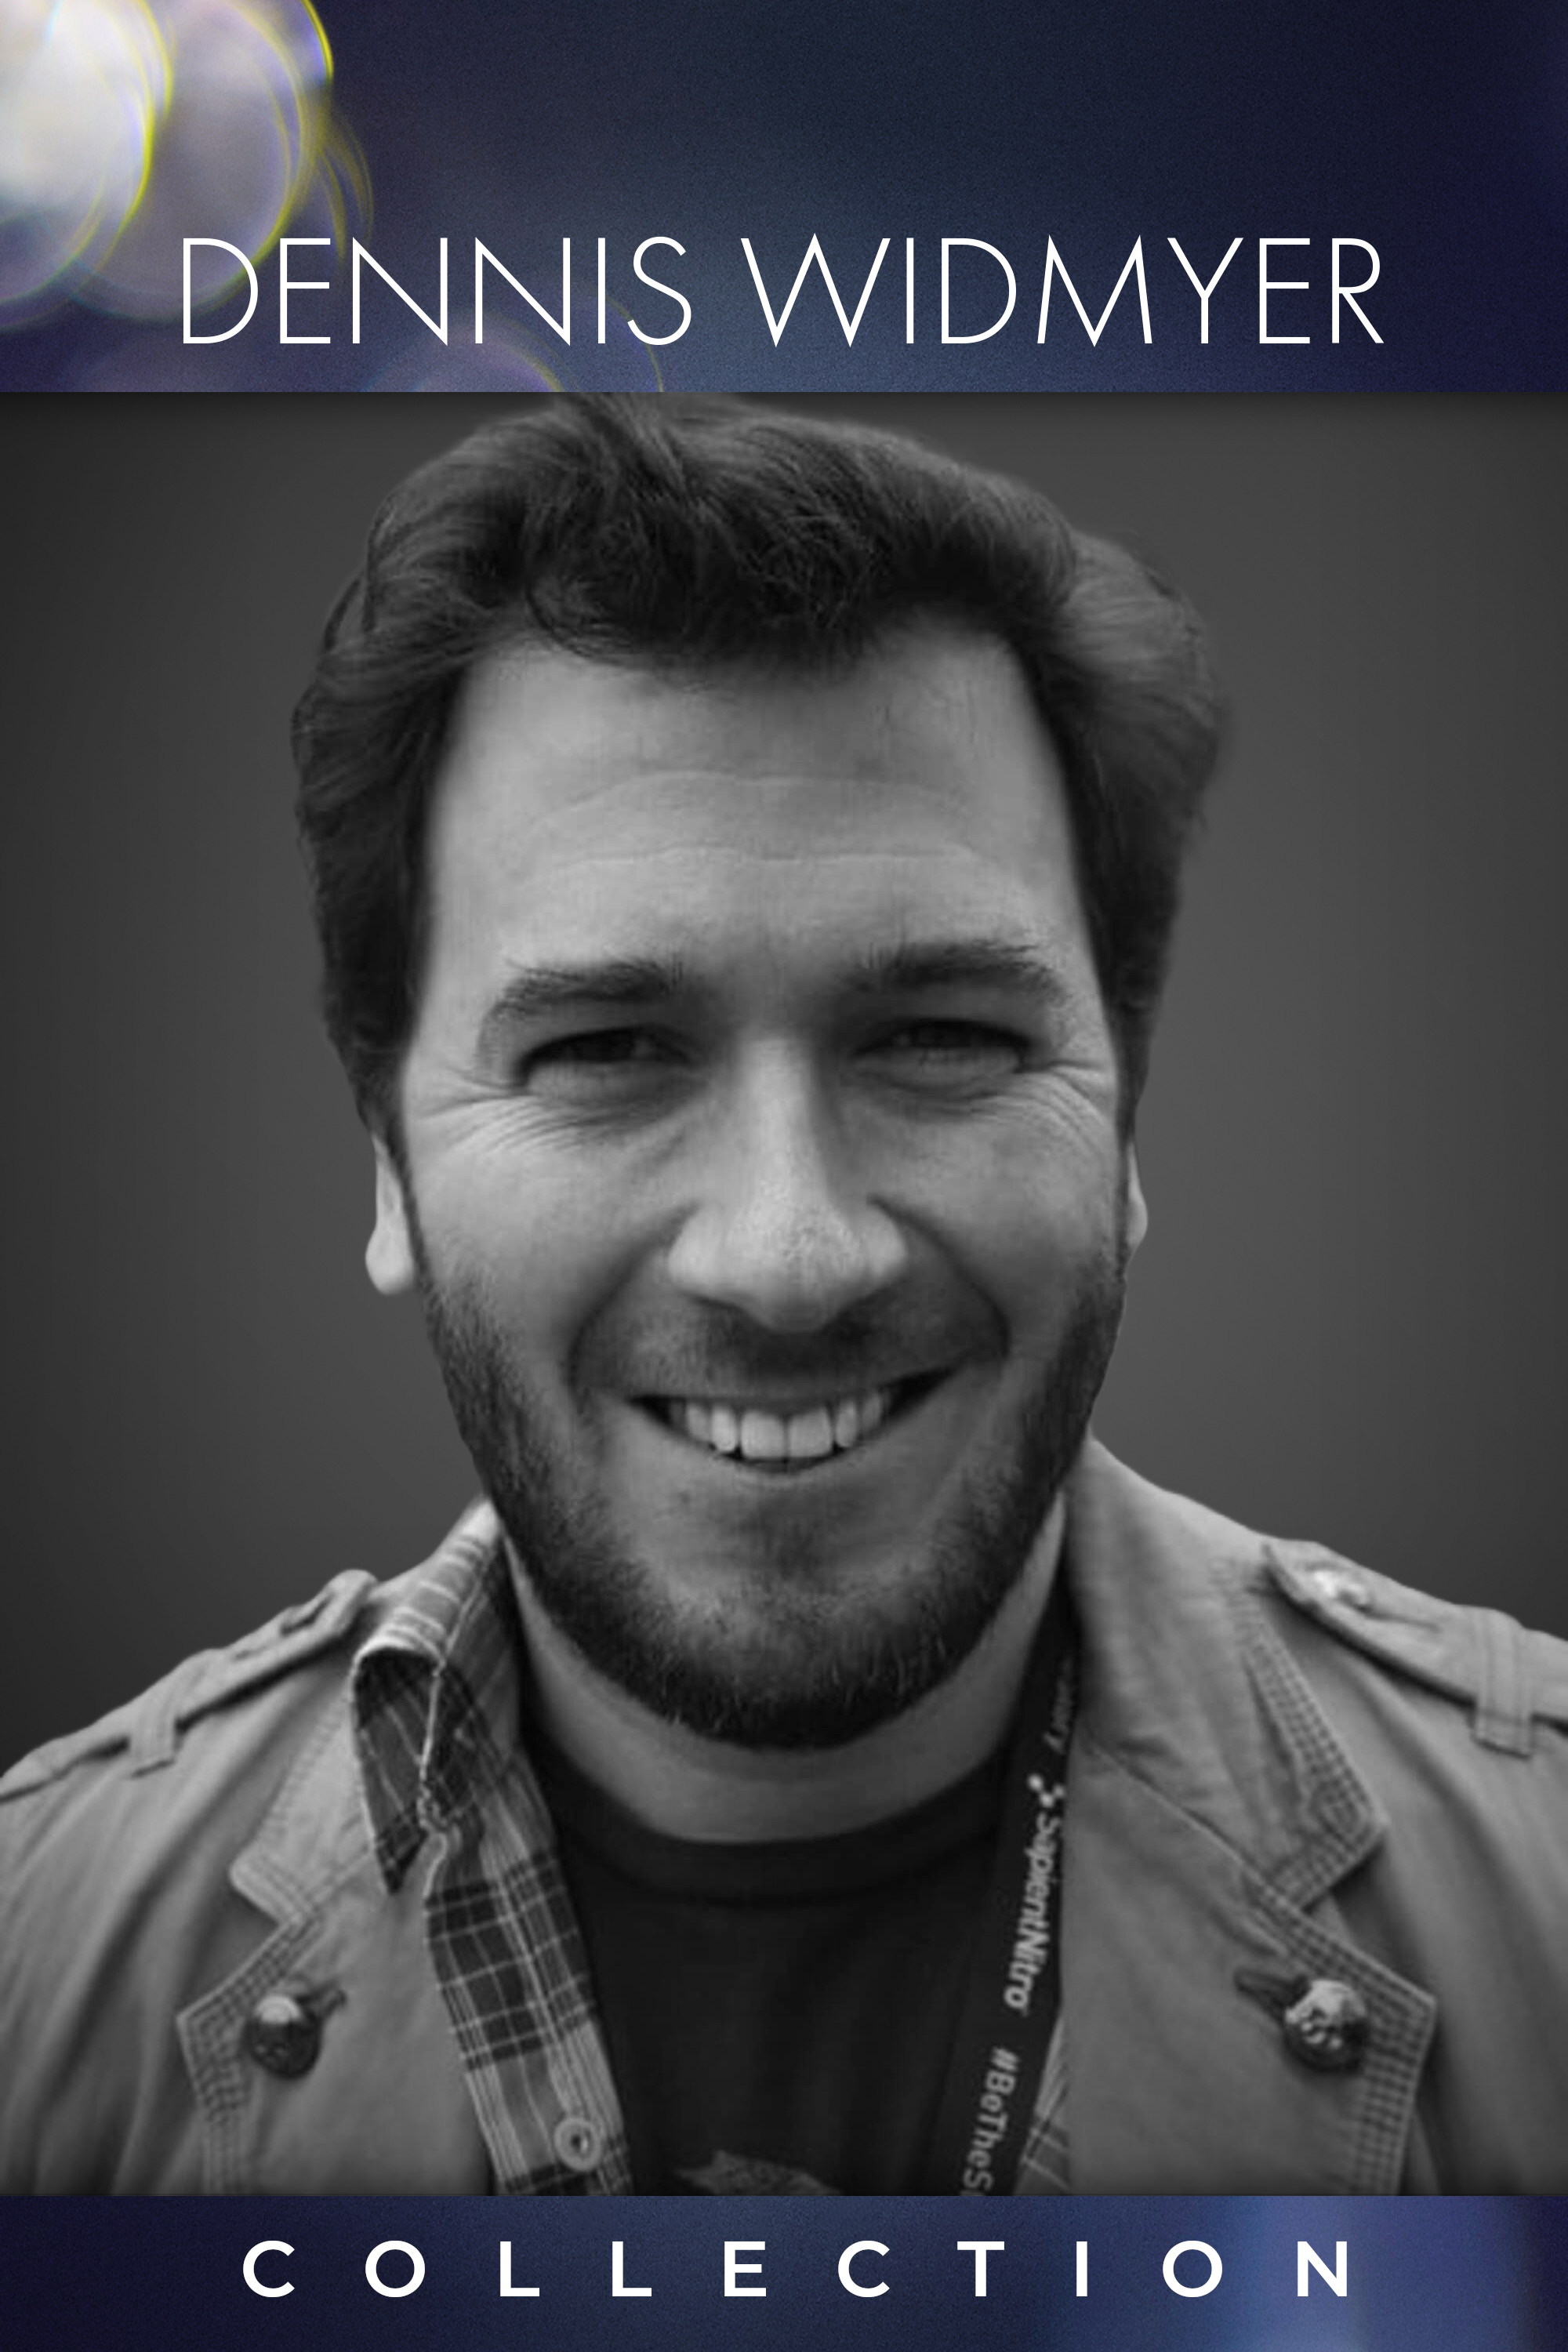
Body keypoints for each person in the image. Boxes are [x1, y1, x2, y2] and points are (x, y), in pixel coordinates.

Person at [2, 397, 1563, 2197]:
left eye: (938, 1037)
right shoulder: (36, 1959)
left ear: (1128, 1120)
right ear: (387, 1165)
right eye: (606, 1050)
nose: (790, 1254)